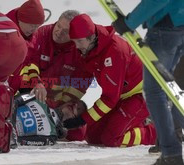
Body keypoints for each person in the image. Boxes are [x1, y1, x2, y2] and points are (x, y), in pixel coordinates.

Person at [63, 14, 156, 147]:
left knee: (111, 139)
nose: (76, 46)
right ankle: (135, 121)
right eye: (74, 41)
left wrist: (82, 119)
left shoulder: (115, 53)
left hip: (142, 95)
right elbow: (83, 75)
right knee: (92, 136)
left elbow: (109, 98)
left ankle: (156, 133)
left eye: (79, 42)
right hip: (121, 95)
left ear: (91, 37)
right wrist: (67, 100)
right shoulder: (89, 48)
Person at [112, 0, 184, 164]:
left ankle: (171, 153)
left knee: (155, 92)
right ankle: (171, 148)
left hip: (165, 27)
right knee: (172, 90)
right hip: (179, 26)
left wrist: (130, 22)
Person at [9, 10, 93, 141]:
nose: (59, 32)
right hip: (28, 92)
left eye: (65, 31)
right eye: (58, 26)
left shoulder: (79, 50)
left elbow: (80, 84)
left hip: (57, 105)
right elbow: (27, 62)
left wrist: (61, 111)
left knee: (78, 135)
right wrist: (36, 82)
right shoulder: (41, 34)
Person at [12, 94, 87, 146]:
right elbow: (13, 102)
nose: (75, 105)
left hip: (6, 133)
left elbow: (21, 141)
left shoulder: (51, 136)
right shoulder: (38, 98)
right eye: (74, 102)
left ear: (75, 119)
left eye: (78, 109)